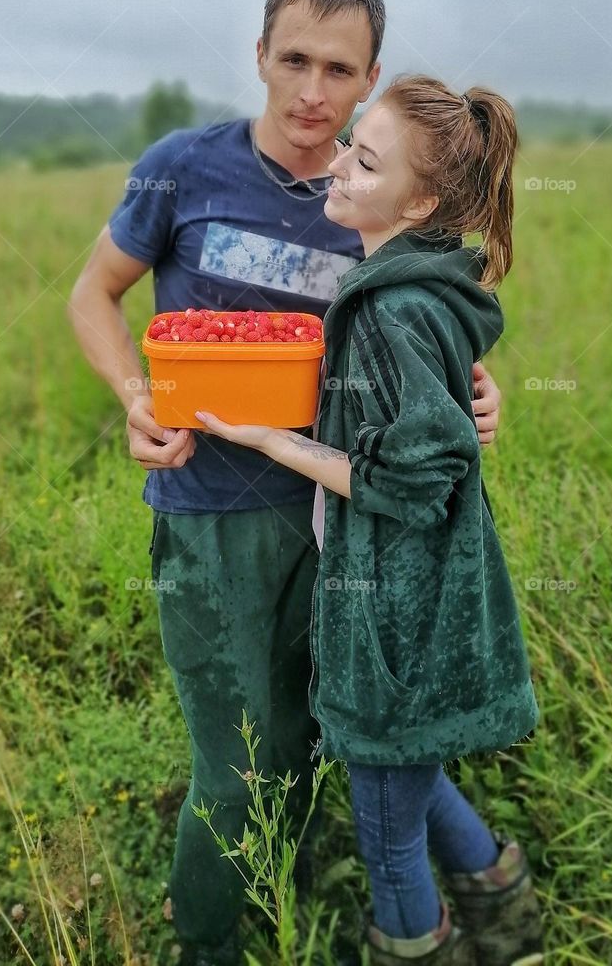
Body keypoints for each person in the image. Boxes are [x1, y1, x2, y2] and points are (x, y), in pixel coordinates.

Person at [67, 0, 504, 966]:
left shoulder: (384, 197)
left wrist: (483, 391)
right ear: (259, 55)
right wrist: (137, 398)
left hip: (347, 521)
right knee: (235, 765)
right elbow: (93, 295)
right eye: (294, 59)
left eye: (339, 69)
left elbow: (435, 335)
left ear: (371, 78)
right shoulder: (181, 168)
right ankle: (208, 940)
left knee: (325, 733)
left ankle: (306, 891)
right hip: (213, 513)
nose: (313, 93)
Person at [197, 75, 544, 966]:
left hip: (398, 614)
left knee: (389, 837)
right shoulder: (412, 285)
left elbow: (416, 479)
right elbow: (425, 423)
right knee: (411, 779)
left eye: (366, 159)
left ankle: (417, 946)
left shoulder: (392, 308)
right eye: (350, 142)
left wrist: (276, 443)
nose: (339, 163)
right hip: (413, 603)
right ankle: (510, 930)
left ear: (420, 201)